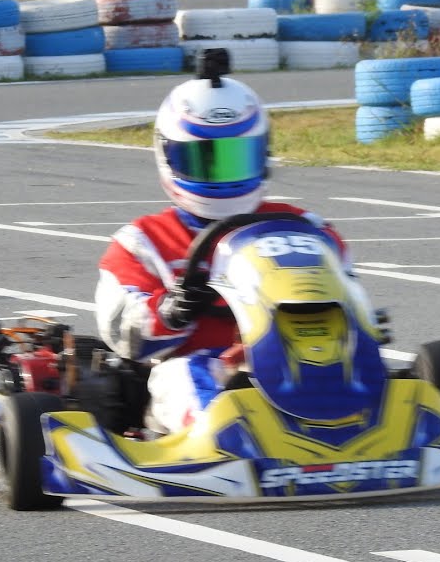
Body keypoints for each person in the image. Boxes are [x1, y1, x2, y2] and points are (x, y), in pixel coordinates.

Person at [94, 49, 348, 435]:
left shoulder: (307, 230)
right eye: (204, 161)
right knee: (184, 375)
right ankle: (230, 438)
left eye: (235, 158)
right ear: (169, 155)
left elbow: (349, 301)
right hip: (194, 369)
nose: (221, 178)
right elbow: (123, 335)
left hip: (301, 363)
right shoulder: (143, 244)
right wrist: (170, 311)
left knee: (374, 366)